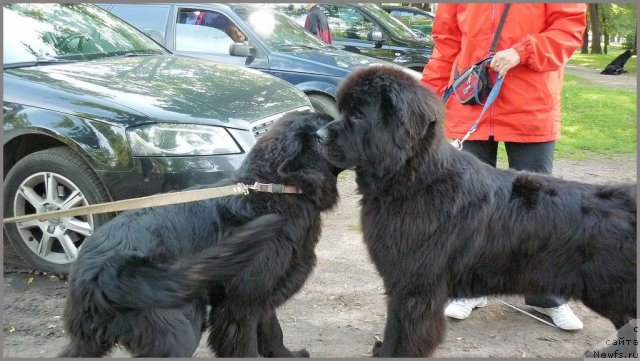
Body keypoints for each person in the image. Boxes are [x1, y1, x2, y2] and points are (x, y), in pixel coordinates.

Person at [421, 3, 587, 331]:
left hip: (531, 108)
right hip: (473, 105)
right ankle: (471, 287)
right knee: (471, 208)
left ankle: (547, 294)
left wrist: (523, 50)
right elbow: (446, 44)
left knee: (540, 210)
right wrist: (427, 98)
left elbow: (568, 31)